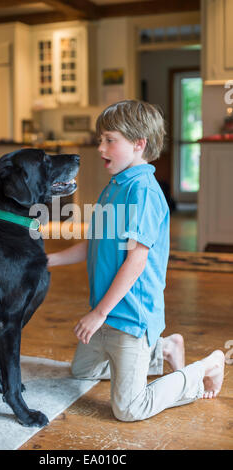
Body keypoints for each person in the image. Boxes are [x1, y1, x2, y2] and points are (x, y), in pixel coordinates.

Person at [47, 100, 225, 422]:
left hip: (130, 318)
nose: (100, 147)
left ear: (139, 144)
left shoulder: (142, 191)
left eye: (109, 140)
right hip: (106, 314)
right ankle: (165, 347)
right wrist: (47, 261)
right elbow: (93, 245)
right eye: (100, 139)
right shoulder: (113, 187)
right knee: (81, 371)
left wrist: (98, 314)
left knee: (129, 409)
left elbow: (136, 262)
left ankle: (206, 366)